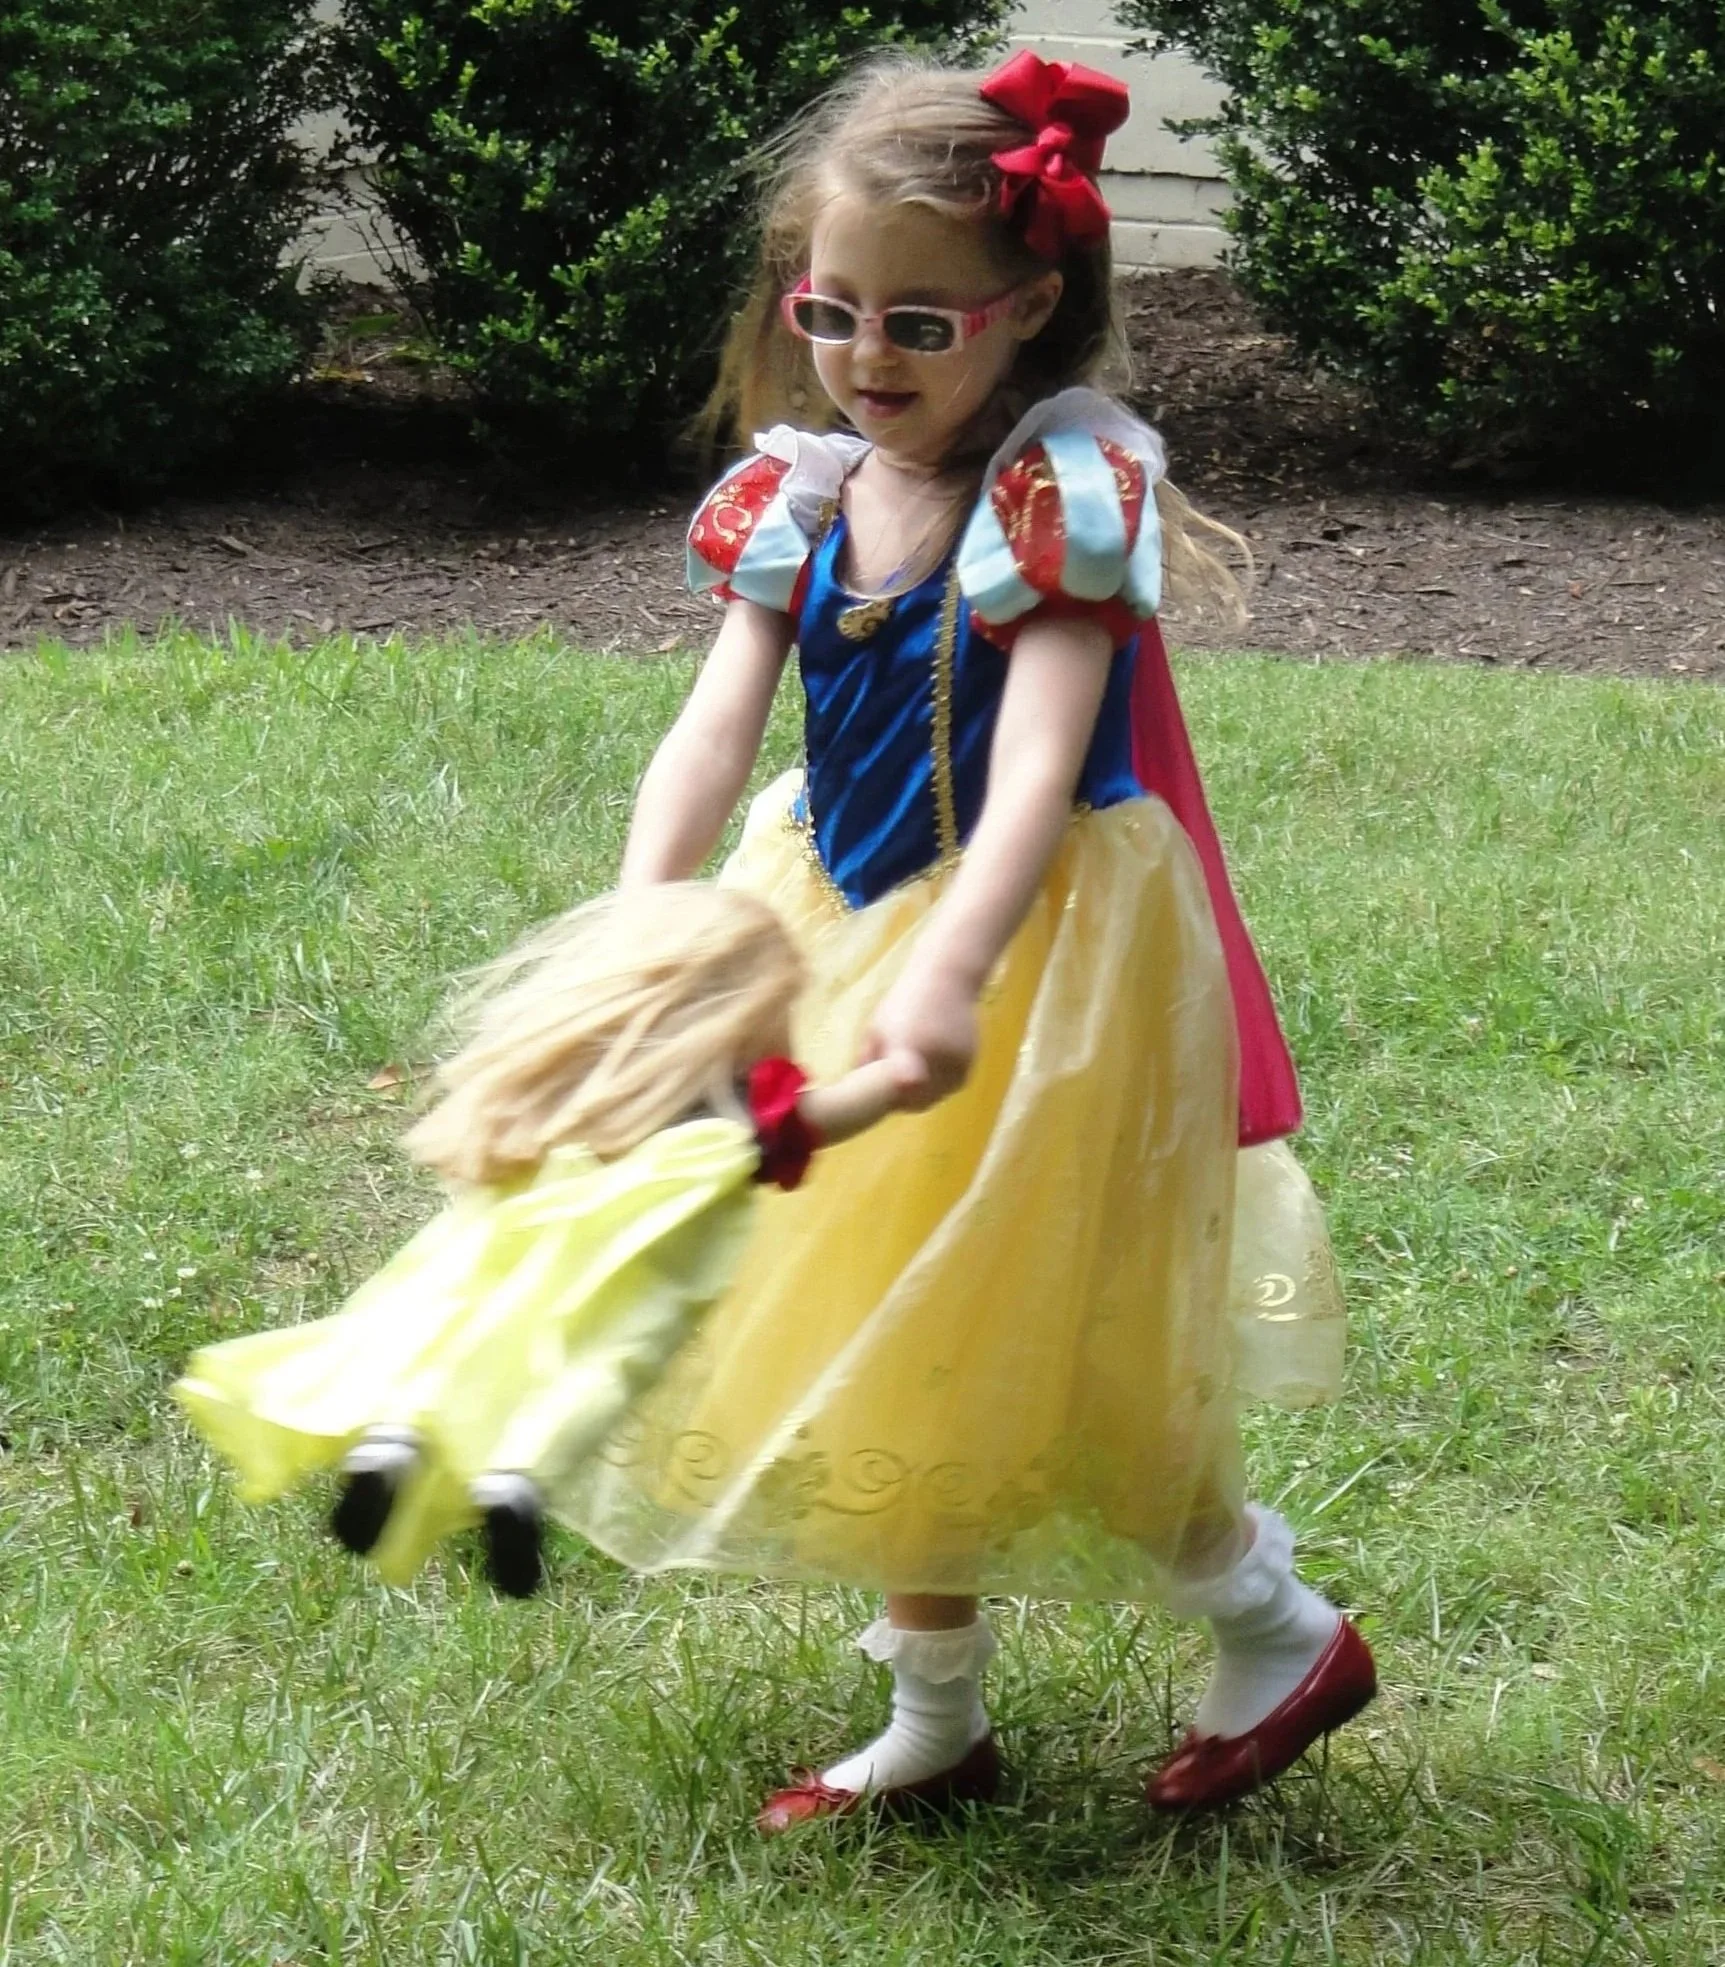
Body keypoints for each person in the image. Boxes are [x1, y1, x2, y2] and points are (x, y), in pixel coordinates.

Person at [566, 46, 1374, 1828]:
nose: (866, 360)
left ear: (1026, 312)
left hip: (1034, 954)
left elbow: (1027, 778)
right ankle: (937, 1714)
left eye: (920, 326)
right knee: (884, 1317)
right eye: (832, 313)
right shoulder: (805, 490)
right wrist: (652, 909)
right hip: (839, 904)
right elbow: (716, 724)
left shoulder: (1059, 496)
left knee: (1051, 1333)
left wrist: (947, 975)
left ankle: (1277, 1621)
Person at [175, 884, 915, 1598]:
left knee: (451, 1330)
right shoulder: (740, 1113)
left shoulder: (575, 1084)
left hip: (512, 1244)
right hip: (632, 1281)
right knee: (593, 1367)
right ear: (742, 1016)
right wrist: (900, 1067)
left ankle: (397, 1435)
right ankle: (519, 1475)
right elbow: (854, 1103)